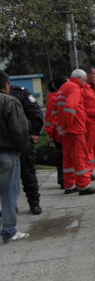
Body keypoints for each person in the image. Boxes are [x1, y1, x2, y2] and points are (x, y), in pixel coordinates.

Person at [57, 69, 95, 196]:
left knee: (68, 159)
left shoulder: (63, 88)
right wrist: (66, 126)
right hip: (75, 129)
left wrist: (62, 126)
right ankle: (84, 186)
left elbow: (59, 109)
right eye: (85, 80)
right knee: (80, 158)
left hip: (67, 131)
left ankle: (69, 185)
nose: (85, 83)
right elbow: (70, 108)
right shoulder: (74, 88)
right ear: (80, 77)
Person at [0, 71, 30, 243]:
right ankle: (9, 231)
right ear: (6, 85)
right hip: (6, 154)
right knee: (9, 193)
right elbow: (19, 130)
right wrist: (21, 148)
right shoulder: (10, 101)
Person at [9, 80, 44, 214]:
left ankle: (34, 203)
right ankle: (10, 205)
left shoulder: (20, 92)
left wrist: (34, 133)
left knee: (27, 173)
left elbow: (36, 113)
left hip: (22, 141)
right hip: (4, 144)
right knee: (6, 178)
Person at [44, 75, 69, 189]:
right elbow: (49, 118)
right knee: (62, 158)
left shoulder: (57, 97)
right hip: (59, 135)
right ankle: (63, 180)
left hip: (62, 133)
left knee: (65, 157)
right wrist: (50, 134)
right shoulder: (54, 98)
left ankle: (66, 179)